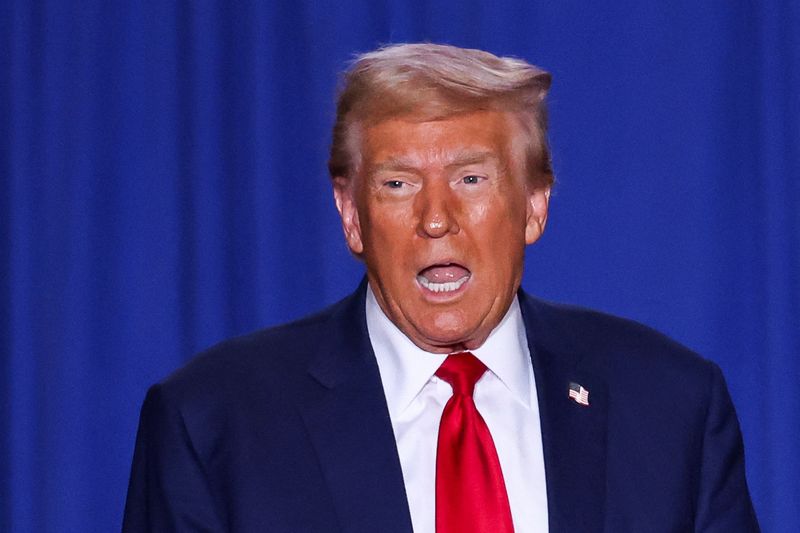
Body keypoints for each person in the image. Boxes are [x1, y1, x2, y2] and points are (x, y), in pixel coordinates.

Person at [122, 43, 759, 532]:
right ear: (351, 214)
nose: (435, 217)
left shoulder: (671, 407)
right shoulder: (213, 423)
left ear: (535, 203)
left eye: (472, 179)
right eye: (397, 183)